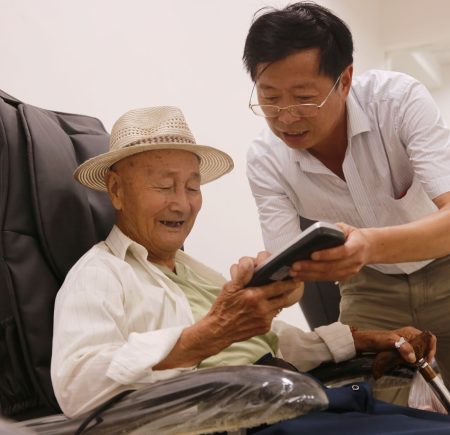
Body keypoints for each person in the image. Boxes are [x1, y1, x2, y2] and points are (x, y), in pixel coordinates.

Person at [51, 106, 436, 429]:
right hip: (258, 419)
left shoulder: (196, 272)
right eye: (165, 186)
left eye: (192, 187)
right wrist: (209, 334)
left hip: (313, 399)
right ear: (116, 190)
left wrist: (365, 340)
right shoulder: (99, 274)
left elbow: (268, 343)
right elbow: (76, 387)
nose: (183, 204)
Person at [243, 1, 450, 392]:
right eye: (269, 98)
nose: (285, 116)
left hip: (445, 263)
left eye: (304, 97)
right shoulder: (265, 161)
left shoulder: (398, 101)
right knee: (372, 406)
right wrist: (265, 283)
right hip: (370, 286)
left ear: (345, 79)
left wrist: (368, 245)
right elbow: (291, 272)